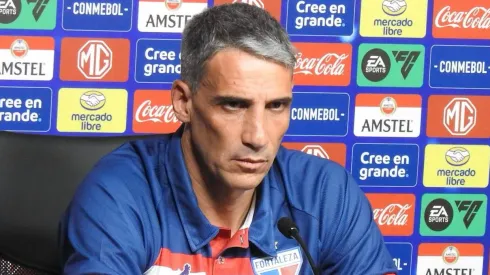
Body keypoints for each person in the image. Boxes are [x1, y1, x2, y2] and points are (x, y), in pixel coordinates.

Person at [58, 3, 398, 275]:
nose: (258, 136)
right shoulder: (118, 194)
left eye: (276, 106)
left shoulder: (324, 192)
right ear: (184, 102)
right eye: (234, 105)